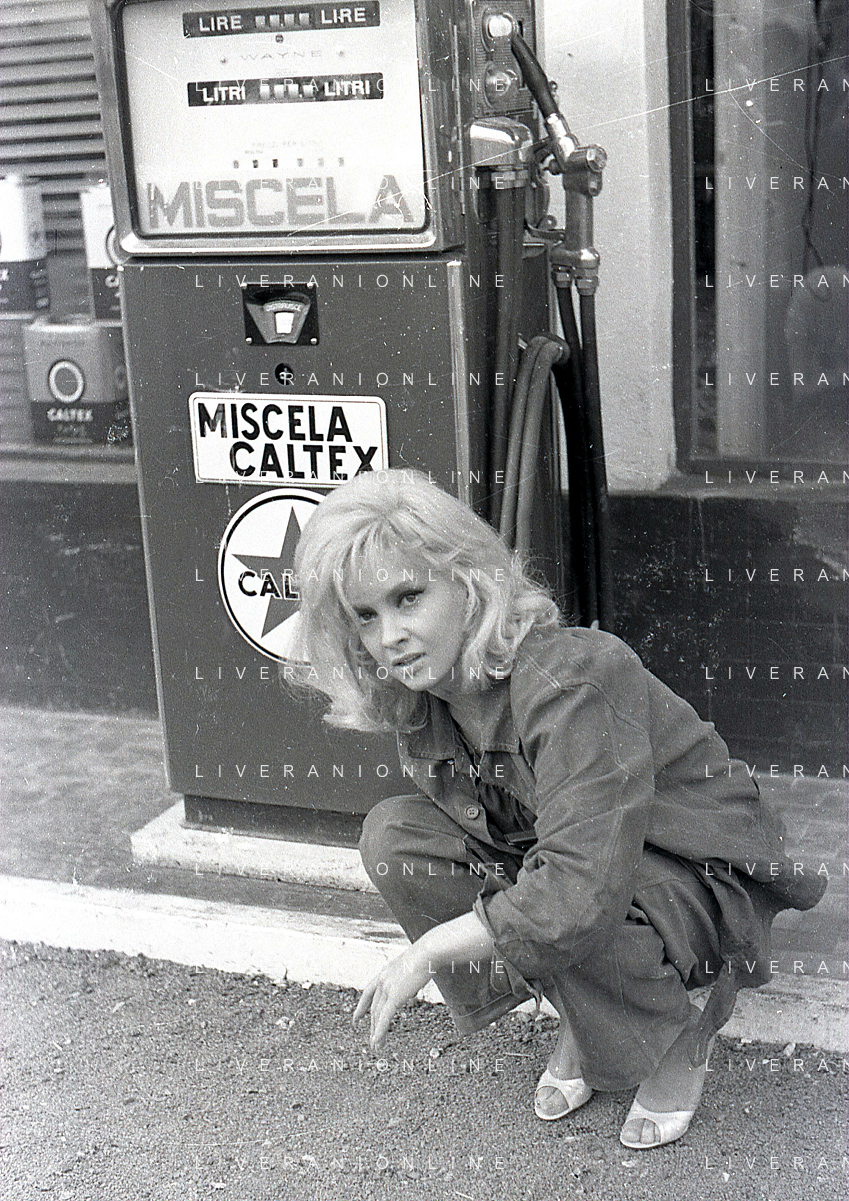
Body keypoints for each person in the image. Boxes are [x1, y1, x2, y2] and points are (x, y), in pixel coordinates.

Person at [292, 468, 825, 1149]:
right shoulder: (423, 702)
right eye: (366, 615)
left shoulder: (570, 678)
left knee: (574, 892)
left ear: (469, 583)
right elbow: (516, 847)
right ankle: (589, 1013)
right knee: (396, 837)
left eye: (408, 597)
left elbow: (579, 884)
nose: (390, 635)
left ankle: (681, 1035)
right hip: (592, 864)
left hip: (692, 865)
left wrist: (430, 950)